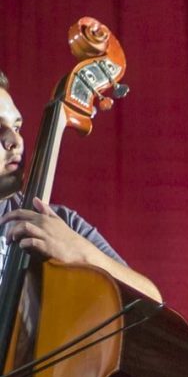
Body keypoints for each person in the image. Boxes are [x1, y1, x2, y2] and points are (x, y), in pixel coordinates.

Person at [0, 69, 161, 302]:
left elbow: (151, 302)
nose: (16, 142)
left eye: (16, 127)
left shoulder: (57, 224)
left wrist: (81, 253)